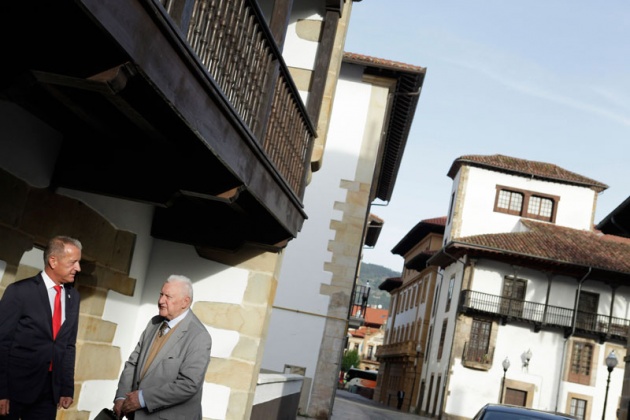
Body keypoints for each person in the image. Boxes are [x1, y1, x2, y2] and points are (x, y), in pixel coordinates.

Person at [0, 235, 82, 419]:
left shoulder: (73, 297)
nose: (78, 268)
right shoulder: (20, 292)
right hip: (14, 391)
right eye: (73, 262)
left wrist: (67, 388)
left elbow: (68, 345)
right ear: (53, 261)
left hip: (48, 394)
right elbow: (1, 343)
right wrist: (1, 391)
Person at [113, 275, 212, 419]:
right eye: (161, 294)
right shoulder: (154, 323)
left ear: (185, 302)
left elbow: (188, 385)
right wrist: (121, 397)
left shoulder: (199, 336)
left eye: (168, 297)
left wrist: (142, 399)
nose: (160, 301)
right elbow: (133, 363)